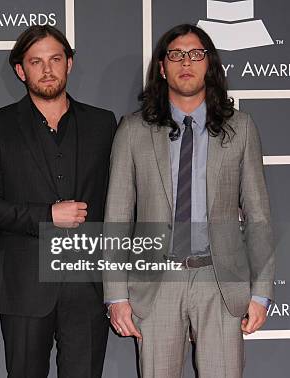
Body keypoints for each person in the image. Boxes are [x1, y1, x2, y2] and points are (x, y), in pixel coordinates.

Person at [104, 23, 274, 377]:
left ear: (209, 65)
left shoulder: (240, 128)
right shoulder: (132, 130)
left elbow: (258, 216)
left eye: (196, 54)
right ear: (162, 68)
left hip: (220, 280)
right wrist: (116, 296)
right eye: (176, 54)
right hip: (155, 281)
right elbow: (117, 218)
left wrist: (261, 292)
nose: (186, 62)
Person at [0, 25, 117, 377]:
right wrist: (46, 215)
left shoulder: (103, 123)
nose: (47, 69)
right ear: (21, 70)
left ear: (70, 63)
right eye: (36, 62)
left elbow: (123, 198)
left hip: (88, 284)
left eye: (55, 59)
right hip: (24, 284)